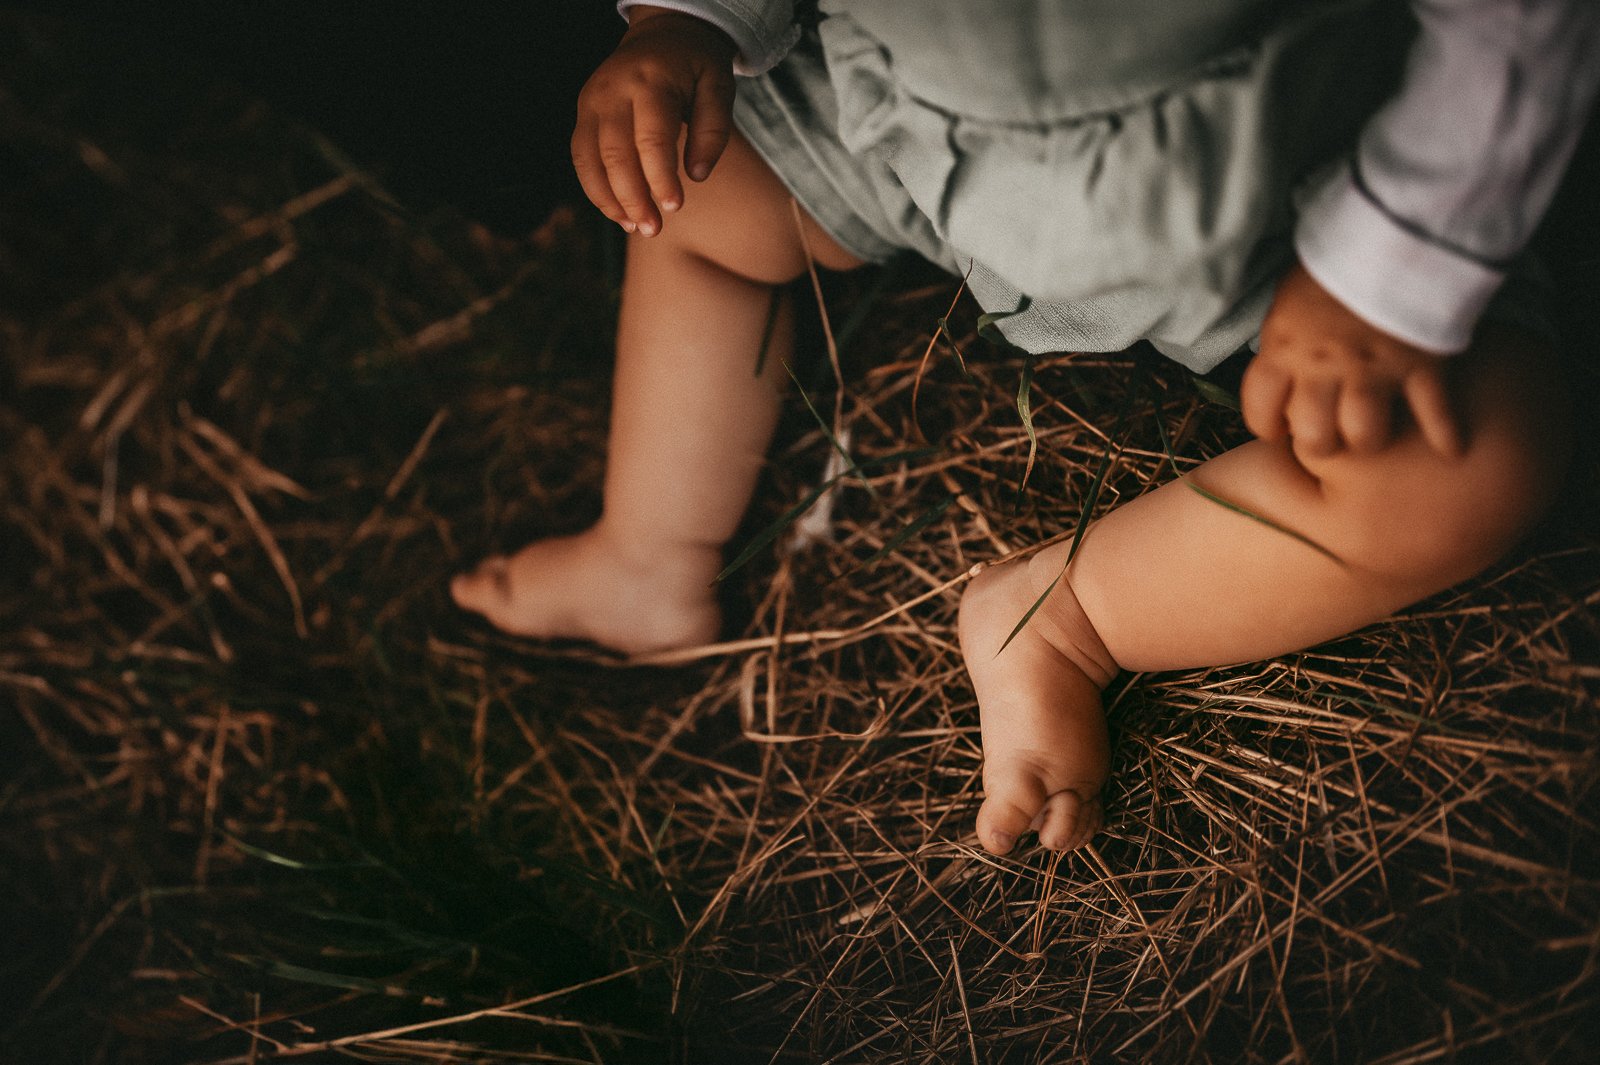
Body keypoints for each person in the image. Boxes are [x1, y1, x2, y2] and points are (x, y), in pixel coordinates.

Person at [452, 0, 1599, 856]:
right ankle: (648, 552)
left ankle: (1062, 618)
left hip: (1272, 185)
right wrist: (689, 20)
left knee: (1473, 457)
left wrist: (1387, 264)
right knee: (687, 199)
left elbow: (1517, 25)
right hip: (909, 125)